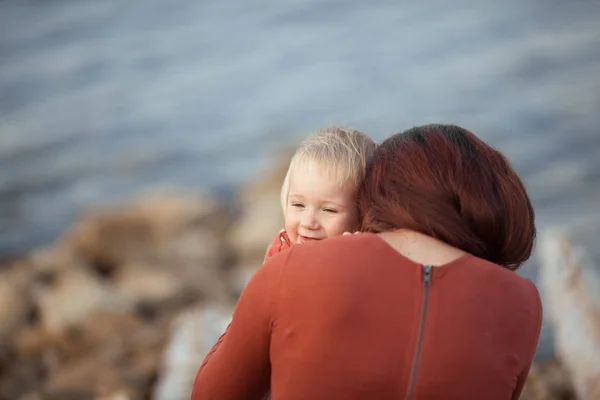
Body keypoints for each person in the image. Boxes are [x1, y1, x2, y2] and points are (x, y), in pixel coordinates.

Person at [190, 124, 542, 400]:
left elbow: (211, 395)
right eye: (298, 205)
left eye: (329, 209)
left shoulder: (291, 267)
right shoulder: (523, 301)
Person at [263, 125, 377, 262]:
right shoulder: (278, 255)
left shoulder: (367, 260)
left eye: (328, 210)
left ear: (364, 217)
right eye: (298, 205)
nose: (308, 222)